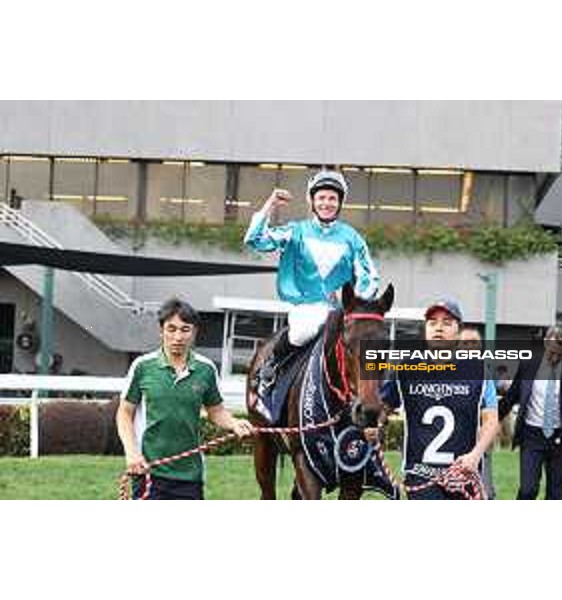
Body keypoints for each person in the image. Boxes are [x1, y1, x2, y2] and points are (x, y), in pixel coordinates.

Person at [244, 169, 380, 394]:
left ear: (339, 203)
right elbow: (254, 239)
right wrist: (270, 205)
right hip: (307, 307)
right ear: (313, 201)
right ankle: (271, 367)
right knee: (302, 331)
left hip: (341, 312)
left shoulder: (352, 237)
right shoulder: (296, 231)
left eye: (332, 198)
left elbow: (370, 276)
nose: (327, 203)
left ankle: (373, 394)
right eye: (322, 197)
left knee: (366, 340)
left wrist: (355, 300)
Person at [116, 297, 254, 500]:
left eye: (185, 329)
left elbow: (216, 411)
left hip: (190, 475)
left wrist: (234, 423)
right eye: (171, 329)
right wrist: (132, 453)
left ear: (194, 332)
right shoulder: (142, 367)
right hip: (147, 471)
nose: (178, 337)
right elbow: (124, 413)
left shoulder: (206, 369)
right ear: (161, 331)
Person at [381, 299, 499, 499]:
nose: (438, 328)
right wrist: (375, 425)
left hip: (463, 473)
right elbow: (383, 408)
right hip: (421, 475)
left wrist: (474, 455)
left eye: (446, 322)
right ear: (425, 329)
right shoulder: (406, 369)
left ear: (458, 331)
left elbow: (491, 420)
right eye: (432, 323)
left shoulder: (479, 372)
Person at [499, 326, 562, 500]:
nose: (555, 356)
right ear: (545, 342)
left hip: (561, 440)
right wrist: (488, 421)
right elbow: (510, 398)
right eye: (552, 350)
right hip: (532, 436)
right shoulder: (528, 368)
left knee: (555, 494)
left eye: (560, 352)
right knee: (528, 489)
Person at [458, 326, 497, 499]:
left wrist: (478, 451)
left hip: (476, 452)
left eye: (474, 343)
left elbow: (491, 417)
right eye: (464, 343)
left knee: (482, 494)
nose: (469, 348)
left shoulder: (485, 379)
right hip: (437, 460)